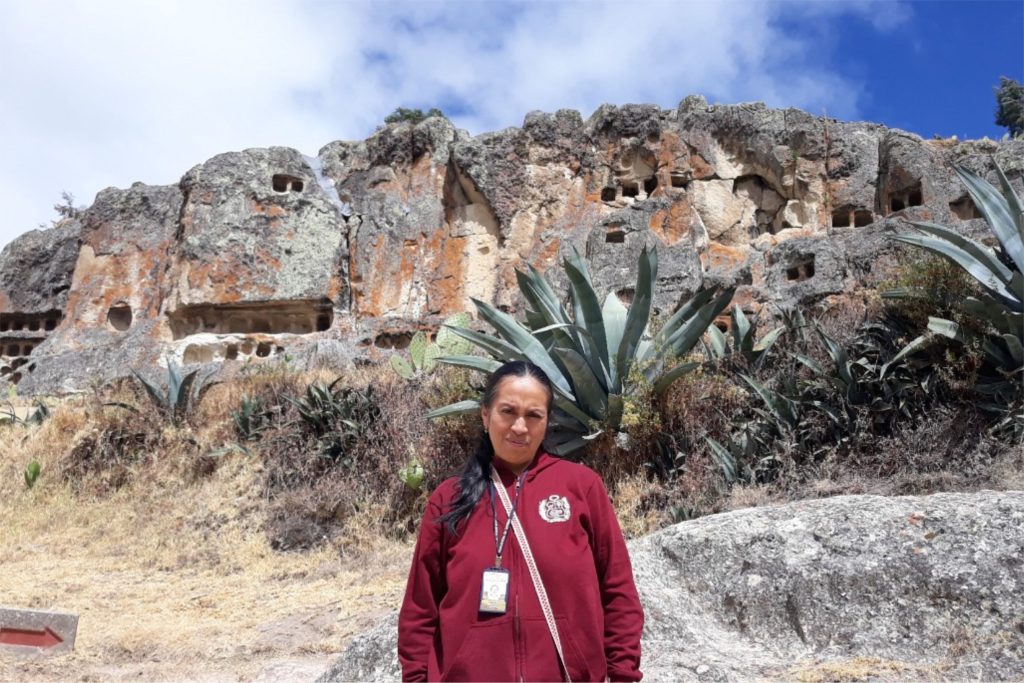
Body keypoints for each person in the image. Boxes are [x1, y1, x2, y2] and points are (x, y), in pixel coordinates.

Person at [398, 360, 644, 682]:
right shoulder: (448, 499)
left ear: (547, 421)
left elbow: (618, 591)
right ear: (485, 415)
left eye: (533, 415)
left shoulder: (582, 488)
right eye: (508, 411)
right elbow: (420, 609)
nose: (519, 427)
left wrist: (623, 675)